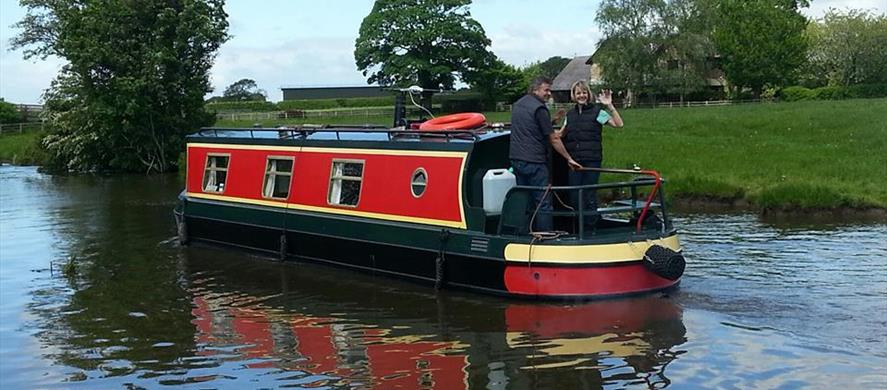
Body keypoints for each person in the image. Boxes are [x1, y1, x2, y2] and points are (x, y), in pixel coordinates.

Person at [510, 77, 581, 232]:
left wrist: (553, 119)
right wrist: (569, 158)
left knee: (524, 199)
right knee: (543, 201)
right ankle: (545, 235)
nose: (549, 93)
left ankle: (523, 233)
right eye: (546, 90)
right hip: (534, 161)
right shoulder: (539, 108)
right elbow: (554, 139)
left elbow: (530, 127)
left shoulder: (519, 104)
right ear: (535, 90)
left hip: (516, 159)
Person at [557, 81, 624, 231]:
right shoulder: (571, 114)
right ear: (574, 95)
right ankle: (577, 227)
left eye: (584, 92)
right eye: (578, 93)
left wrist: (609, 105)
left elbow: (618, 124)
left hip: (591, 160)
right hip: (573, 160)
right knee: (574, 195)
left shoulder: (597, 112)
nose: (581, 95)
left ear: (588, 94)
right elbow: (561, 133)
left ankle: (590, 228)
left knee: (589, 195)